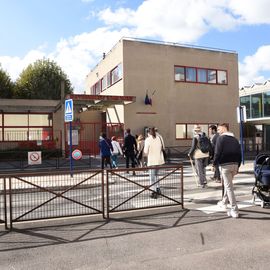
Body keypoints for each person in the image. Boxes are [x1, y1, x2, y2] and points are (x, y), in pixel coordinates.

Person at [213, 123, 241, 218]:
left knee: (229, 187)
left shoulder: (221, 139)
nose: (218, 131)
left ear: (224, 129)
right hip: (235, 165)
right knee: (227, 184)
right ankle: (224, 202)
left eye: (219, 129)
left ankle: (234, 209)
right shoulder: (235, 139)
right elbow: (239, 153)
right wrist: (238, 166)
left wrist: (214, 164)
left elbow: (217, 153)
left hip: (225, 165)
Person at [144, 127, 165, 199]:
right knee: (156, 175)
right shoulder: (159, 138)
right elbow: (163, 147)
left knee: (152, 177)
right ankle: (158, 188)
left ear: (148, 132)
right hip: (159, 160)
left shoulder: (148, 139)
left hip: (152, 161)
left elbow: (145, 151)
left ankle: (153, 191)